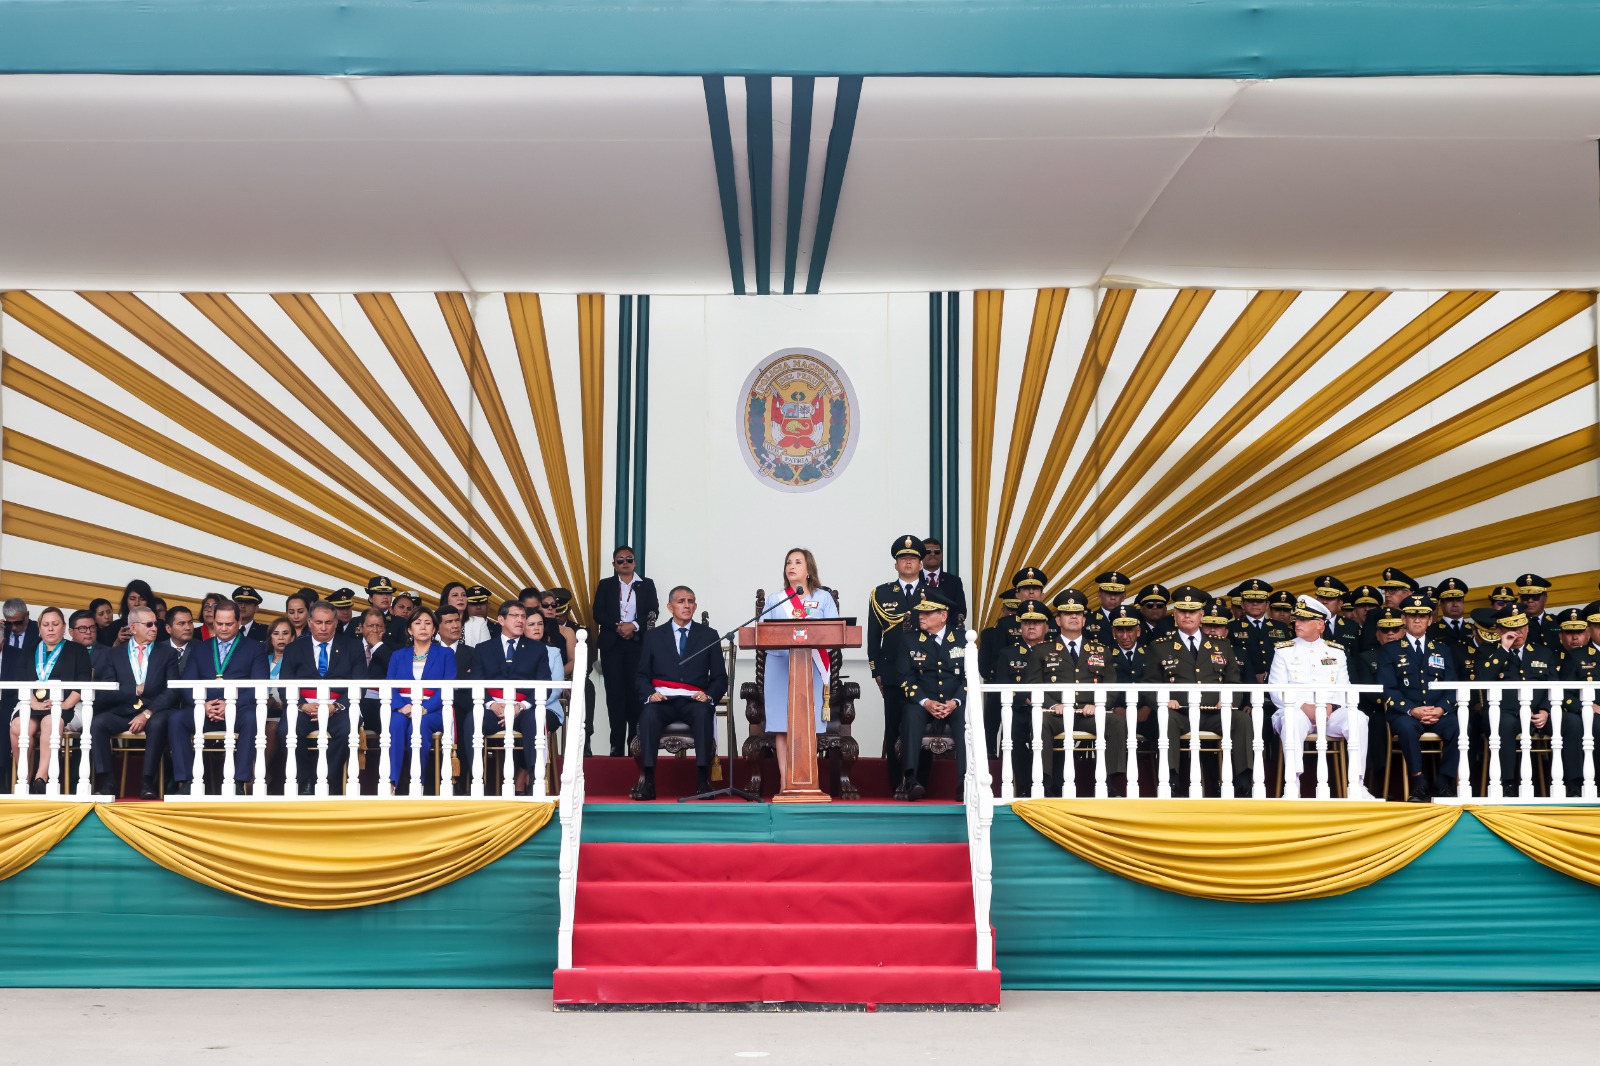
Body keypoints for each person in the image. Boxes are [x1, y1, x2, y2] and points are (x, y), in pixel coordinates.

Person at [1143, 585, 1250, 796]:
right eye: (1182, 611)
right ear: (1175, 614)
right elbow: (1149, 684)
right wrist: (1163, 701)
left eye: (1192, 611)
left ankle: (1244, 781)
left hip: (1215, 713)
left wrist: (1229, 701)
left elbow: (1234, 682)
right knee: (1165, 718)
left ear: (1201, 614)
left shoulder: (1222, 645)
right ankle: (1171, 779)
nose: (1187, 616)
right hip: (1180, 713)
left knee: (1242, 720)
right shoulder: (1160, 646)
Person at [1267, 596, 1374, 799]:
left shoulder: (1336, 651)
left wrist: (1330, 707)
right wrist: (1302, 706)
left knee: (1357, 718)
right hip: (1296, 711)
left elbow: (1345, 689)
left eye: (1304, 620)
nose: (1297, 623)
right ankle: (1292, 784)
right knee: (1292, 719)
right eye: (1297, 619)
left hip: (1329, 713)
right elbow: (1276, 690)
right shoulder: (1283, 650)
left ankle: (1357, 783)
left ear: (1320, 625)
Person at [631, 586, 727, 800]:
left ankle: (703, 781)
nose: (686, 605)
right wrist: (649, 694)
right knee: (648, 714)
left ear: (695, 606)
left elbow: (720, 677)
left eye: (690, 601)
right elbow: (641, 676)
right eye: (681, 601)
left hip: (694, 700)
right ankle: (648, 781)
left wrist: (709, 695)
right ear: (670, 606)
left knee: (703, 713)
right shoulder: (654, 636)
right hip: (662, 699)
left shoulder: (709, 635)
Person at [762, 549, 840, 791]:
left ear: (809, 570)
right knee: (782, 725)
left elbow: (835, 631)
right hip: (780, 666)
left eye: (798, 562)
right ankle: (786, 783)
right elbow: (763, 633)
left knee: (808, 725)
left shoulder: (824, 598)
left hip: (811, 667)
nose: (791, 566)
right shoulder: (776, 599)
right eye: (788, 562)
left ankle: (806, 782)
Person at [88, 607, 183, 798]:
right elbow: (105, 690)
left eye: (156, 623)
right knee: (98, 723)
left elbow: (173, 690)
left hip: (154, 710)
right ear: (133, 628)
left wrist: (148, 713)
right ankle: (107, 781)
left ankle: (147, 782)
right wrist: (134, 690)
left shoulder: (167, 653)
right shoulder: (114, 654)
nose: (154, 628)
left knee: (157, 724)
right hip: (123, 710)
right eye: (148, 624)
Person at [178, 600, 269, 794]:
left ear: (239, 622)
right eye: (219, 623)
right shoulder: (200, 648)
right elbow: (187, 684)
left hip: (238, 711)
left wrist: (231, 704)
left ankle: (239, 782)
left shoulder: (255, 648)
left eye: (229, 624)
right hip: (205, 710)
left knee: (253, 718)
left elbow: (259, 685)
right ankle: (186, 781)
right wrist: (202, 705)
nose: (224, 628)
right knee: (176, 719)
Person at [1379, 592, 1460, 803]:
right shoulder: (1390, 650)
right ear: (1403, 620)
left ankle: (1443, 781)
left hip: (1438, 713)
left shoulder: (1442, 650)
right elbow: (1387, 688)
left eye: (1422, 616)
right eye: (1412, 615)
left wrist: (1442, 708)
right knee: (1406, 728)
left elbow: (1452, 687)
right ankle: (1419, 783)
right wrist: (1411, 710)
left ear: (1430, 620)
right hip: (1406, 713)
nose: (1417, 620)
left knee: (1461, 727)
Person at [475, 600, 561, 794]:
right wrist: (490, 704)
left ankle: (534, 781)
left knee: (535, 720)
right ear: (501, 620)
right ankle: (473, 781)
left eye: (523, 616)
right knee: (473, 720)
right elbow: (476, 681)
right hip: (494, 709)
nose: (520, 620)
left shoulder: (537, 649)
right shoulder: (483, 648)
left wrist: (521, 706)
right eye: (515, 616)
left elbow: (544, 686)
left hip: (523, 709)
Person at [1471, 603, 1555, 796]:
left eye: (1520, 627)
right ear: (1499, 630)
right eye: (1511, 629)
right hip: (1503, 714)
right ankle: (1508, 783)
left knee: (1572, 723)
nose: (1517, 633)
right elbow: (1482, 679)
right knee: (1504, 724)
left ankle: (1574, 784)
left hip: (1536, 715)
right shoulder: (1487, 652)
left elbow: (1553, 685)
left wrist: (1545, 710)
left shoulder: (1543, 652)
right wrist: (1504, 649)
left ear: (1527, 627)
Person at [279, 601, 361, 795]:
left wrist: (336, 707)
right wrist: (302, 706)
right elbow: (285, 686)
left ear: (336, 623)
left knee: (349, 730)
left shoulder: (352, 647)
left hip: (338, 708)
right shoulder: (294, 649)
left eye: (328, 622)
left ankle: (326, 779)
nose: (323, 628)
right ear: (309, 622)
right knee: (285, 731)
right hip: (305, 707)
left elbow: (360, 685)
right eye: (318, 622)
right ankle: (306, 779)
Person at [895, 589, 967, 802]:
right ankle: (911, 779)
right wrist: (925, 702)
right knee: (910, 714)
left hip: (954, 702)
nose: (921, 617)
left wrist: (955, 702)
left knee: (966, 718)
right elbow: (904, 677)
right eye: (920, 613)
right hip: (923, 701)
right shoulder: (909, 640)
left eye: (928, 613)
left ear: (943, 615)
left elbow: (969, 678)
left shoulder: (963, 639)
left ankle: (964, 781)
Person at [869, 536, 930, 786]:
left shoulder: (933, 594)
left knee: (922, 729)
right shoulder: (881, 593)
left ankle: (921, 780)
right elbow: (874, 636)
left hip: (925, 671)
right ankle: (896, 783)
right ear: (896, 565)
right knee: (893, 726)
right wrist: (876, 670)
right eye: (903, 558)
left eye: (913, 558)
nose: (908, 561)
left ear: (920, 564)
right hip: (892, 670)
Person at [11, 607, 90, 792]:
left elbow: (83, 682)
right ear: (39, 628)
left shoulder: (77, 650)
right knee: (19, 727)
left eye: (55, 624)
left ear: (64, 627)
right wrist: (33, 702)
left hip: (66, 705)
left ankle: (42, 776)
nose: (51, 629)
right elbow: (21, 681)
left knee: (50, 721)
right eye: (46, 625)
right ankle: (26, 776)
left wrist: (63, 705)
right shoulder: (29, 650)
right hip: (32, 704)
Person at [593, 546, 658, 756]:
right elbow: (598, 612)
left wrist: (634, 626)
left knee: (636, 693)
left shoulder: (646, 584)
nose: (625, 563)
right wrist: (618, 626)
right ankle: (616, 744)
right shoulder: (606, 585)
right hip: (613, 644)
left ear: (635, 562)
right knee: (615, 695)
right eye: (620, 560)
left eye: (629, 559)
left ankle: (635, 743)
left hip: (637, 644)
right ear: (614, 564)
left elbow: (653, 611)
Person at [385, 608, 456, 794]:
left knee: (419, 725)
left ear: (434, 629)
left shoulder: (446, 654)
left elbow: (447, 686)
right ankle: (392, 782)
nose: (423, 627)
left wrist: (425, 708)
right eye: (417, 623)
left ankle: (418, 783)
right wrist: (401, 706)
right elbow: (390, 686)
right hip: (404, 708)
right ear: (409, 629)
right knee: (396, 724)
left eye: (428, 623)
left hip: (434, 711)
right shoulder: (398, 655)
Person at [1004, 603, 1057, 793]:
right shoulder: (1008, 653)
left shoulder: (1055, 652)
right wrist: (1023, 700)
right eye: (1026, 623)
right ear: (1020, 627)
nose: (1031, 627)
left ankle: (1050, 785)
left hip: (1050, 709)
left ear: (1046, 627)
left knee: (1054, 734)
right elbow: (1002, 685)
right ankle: (1025, 786)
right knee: (1013, 733)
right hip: (1021, 710)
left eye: (1036, 623)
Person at [1557, 602, 1600, 796]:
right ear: (1589, 630)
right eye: (1598, 626)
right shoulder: (1577, 656)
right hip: (1592, 713)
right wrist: (1587, 706)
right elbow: (1563, 692)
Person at [977, 589, 1020, 758]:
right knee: (993, 711)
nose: (1012, 616)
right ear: (1003, 610)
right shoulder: (989, 634)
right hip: (997, 682)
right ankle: (989, 751)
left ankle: (1006, 752)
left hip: (1020, 683)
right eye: (1010, 610)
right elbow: (984, 665)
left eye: (1016, 612)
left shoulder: (1028, 631)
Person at [262, 616, 295, 791]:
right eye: (276, 634)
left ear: (293, 637)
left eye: (285, 633)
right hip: (259, 710)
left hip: (284, 712)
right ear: (270, 638)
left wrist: (279, 703)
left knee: (273, 728)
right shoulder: (261, 659)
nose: (281, 638)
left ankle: (258, 772)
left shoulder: (297, 661)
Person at [354, 608, 396, 736]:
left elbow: (394, 668)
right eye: (370, 626)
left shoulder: (392, 648)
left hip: (379, 702)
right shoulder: (350, 646)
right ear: (361, 627)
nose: (375, 630)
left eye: (379, 626)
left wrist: (378, 645)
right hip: (354, 699)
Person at [920, 537, 967, 624]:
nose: (933, 554)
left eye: (937, 552)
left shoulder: (954, 581)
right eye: (928, 552)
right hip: (919, 631)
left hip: (947, 631)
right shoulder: (914, 579)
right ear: (920, 556)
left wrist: (941, 626)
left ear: (941, 556)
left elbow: (961, 610)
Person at [1516, 573, 1561, 648]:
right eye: (1525, 597)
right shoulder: (1516, 625)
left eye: (1535, 597)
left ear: (1545, 599)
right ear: (1520, 599)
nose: (1530, 600)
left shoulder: (1557, 622)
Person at [165, 605, 195, 675]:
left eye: (190, 623)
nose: (188, 628)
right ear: (168, 628)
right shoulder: (158, 650)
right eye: (181, 623)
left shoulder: (202, 648)